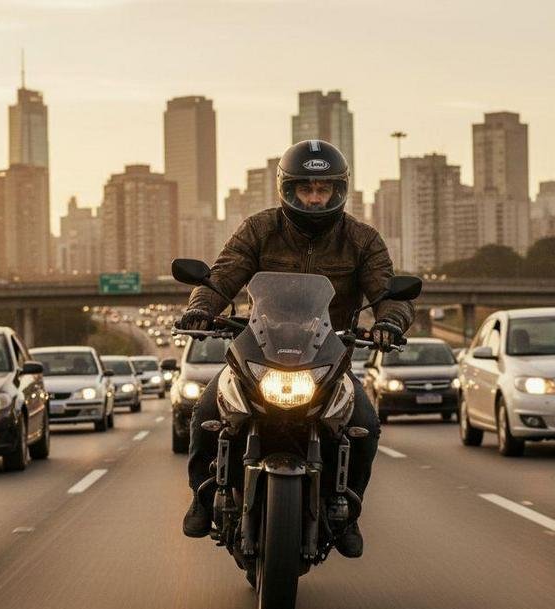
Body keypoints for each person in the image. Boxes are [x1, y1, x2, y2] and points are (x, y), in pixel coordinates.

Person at [178, 139, 415, 558]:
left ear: (339, 191)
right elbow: (222, 276)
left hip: (327, 354)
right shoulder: (258, 229)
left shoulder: (362, 239)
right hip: (260, 348)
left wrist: (390, 322)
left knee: (365, 424)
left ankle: (349, 511)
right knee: (206, 410)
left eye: (323, 189)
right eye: (306, 189)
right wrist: (200, 309)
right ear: (287, 190)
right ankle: (201, 496)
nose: (315, 197)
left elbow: (388, 291)